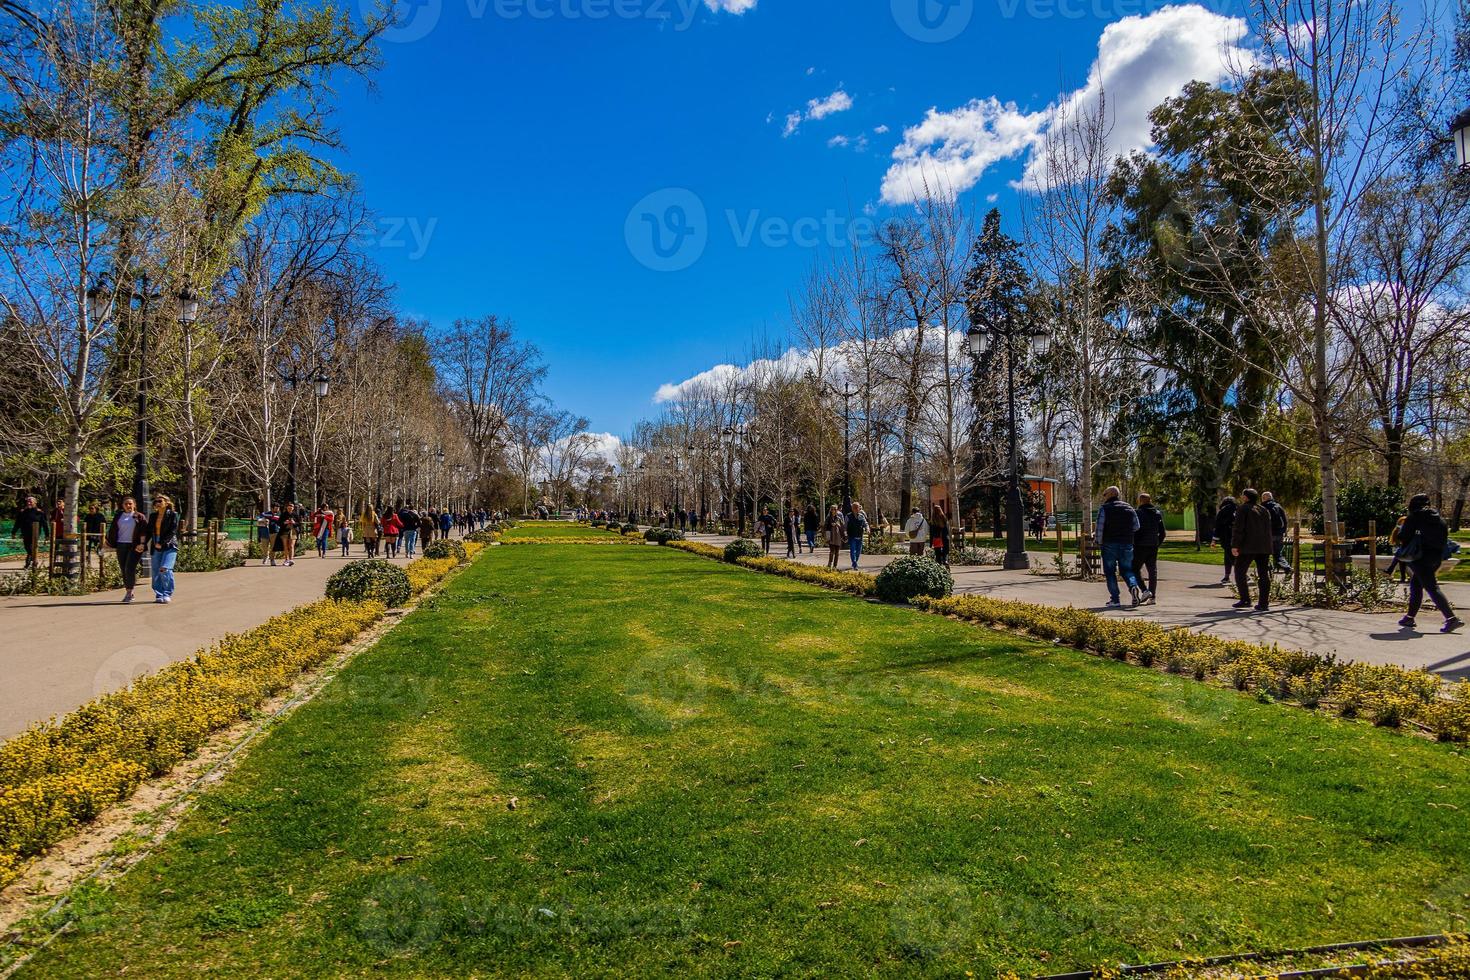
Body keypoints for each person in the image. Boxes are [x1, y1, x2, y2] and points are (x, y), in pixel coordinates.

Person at [1396, 493, 1464, 633]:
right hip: (1436, 558)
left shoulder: (1414, 518)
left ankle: (1451, 618)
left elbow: (1403, 537)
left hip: (1420, 558)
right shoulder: (1439, 519)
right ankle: (1410, 617)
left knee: (1432, 588)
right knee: (1416, 584)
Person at [1095, 486, 1147, 608]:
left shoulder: (1104, 509)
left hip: (1109, 543)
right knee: (1127, 570)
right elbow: (1136, 526)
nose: (1104, 496)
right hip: (1127, 543)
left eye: (1104, 494)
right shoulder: (1129, 508)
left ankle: (1115, 599)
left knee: (1110, 572)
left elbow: (1100, 528)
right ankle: (1133, 586)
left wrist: (1098, 541)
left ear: (1110, 494)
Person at [1230, 488, 1273, 612]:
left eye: (1243, 495)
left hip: (1248, 546)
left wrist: (1235, 545)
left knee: (1239, 571)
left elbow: (1239, 528)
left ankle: (1245, 599)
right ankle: (1264, 603)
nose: (1242, 497)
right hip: (1264, 546)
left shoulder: (1243, 509)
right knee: (1263, 574)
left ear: (1246, 497)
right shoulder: (1264, 510)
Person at [106, 496, 147, 603]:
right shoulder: (118, 516)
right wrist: (108, 542)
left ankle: (130, 593)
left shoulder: (139, 517)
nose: (128, 506)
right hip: (121, 545)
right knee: (124, 568)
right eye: (126, 504)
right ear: (123, 505)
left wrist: (142, 543)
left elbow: (143, 531)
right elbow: (113, 530)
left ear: (134, 505)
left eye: (130, 504)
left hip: (135, 546)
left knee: (129, 568)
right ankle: (128, 590)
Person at [141, 494, 179, 604]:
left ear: (166, 503)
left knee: (165, 568)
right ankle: (159, 594)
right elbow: (149, 531)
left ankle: (167, 593)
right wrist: (143, 544)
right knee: (156, 570)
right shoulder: (153, 516)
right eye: (156, 501)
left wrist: (162, 543)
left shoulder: (172, 514)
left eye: (160, 501)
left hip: (169, 544)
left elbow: (172, 531)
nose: (157, 503)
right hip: (155, 542)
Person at [1132, 492, 1165, 604]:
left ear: (1140, 501)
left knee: (1135, 569)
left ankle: (1144, 590)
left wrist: (1134, 543)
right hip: (1153, 545)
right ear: (1150, 501)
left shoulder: (1137, 513)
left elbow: (1135, 531)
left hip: (1140, 546)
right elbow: (1163, 533)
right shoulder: (1157, 514)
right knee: (1152, 571)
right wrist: (1157, 543)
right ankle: (1152, 597)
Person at [12, 495, 47, 570]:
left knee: (32, 548)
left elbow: (44, 524)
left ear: (35, 503)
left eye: (30, 502)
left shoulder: (39, 513)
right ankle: (33, 560)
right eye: (28, 501)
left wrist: (47, 534)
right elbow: (17, 523)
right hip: (25, 533)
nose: (28, 503)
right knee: (27, 547)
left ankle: (28, 563)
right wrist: (13, 532)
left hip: (35, 534)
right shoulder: (23, 512)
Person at [1211, 496, 1237, 585]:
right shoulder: (1238, 509)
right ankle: (1226, 576)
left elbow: (1217, 526)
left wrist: (1214, 540)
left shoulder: (1222, 511)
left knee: (1229, 556)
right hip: (1237, 537)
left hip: (1225, 537)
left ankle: (1242, 575)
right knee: (1230, 556)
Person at [1262, 491, 1290, 573]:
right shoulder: (1278, 506)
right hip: (1278, 534)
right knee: (1278, 554)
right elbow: (1285, 520)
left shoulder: (1262, 507)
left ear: (1264, 498)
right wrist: (1283, 531)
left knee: (1264, 554)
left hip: (1267, 534)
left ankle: (1267, 569)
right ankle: (1287, 567)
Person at [846, 503, 869, 571]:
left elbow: (865, 523)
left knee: (858, 551)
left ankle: (855, 561)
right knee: (853, 550)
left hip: (859, 536)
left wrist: (867, 528)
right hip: (852, 536)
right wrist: (845, 533)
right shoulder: (848, 516)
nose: (857, 509)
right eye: (855, 508)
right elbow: (845, 525)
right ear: (852, 508)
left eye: (858, 507)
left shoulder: (861, 516)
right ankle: (854, 563)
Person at [82, 501, 106, 567]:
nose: (91, 510)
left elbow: (104, 524)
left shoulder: (100, 516)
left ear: (95, 509)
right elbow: (84, 525)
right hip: (88, 536)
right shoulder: (87, 516)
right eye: (90, 509)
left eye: (92, 508)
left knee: (100, 548)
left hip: (98, 535)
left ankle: (102, 561)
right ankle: (88, 562)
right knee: (87, 549)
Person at [824, 504, 847, 570]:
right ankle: (829, 563)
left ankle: (835, 565)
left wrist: (844, 535)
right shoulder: (828, 518)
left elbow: (843, 528)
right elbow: (825, 526)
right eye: (832, 509)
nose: (834, 511)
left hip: (838, 536)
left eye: (835, 509)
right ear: (831, 510)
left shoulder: (839, 518)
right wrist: (830, 525)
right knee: (832, 551)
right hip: (831, 536)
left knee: (837, 552)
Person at [277, 502, 300, 566]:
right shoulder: (283, 514)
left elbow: (299, 523)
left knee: (291, 546)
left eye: (291, 506)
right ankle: (286, 559)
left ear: (293, 508)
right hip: (284, 531)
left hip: (293, 531)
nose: (290, 507)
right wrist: (285, 522)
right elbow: (279, 523)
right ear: (286, 507)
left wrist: (294, 522)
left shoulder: (295, 515)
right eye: (289, 506)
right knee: (285, 546)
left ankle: (291, 559)